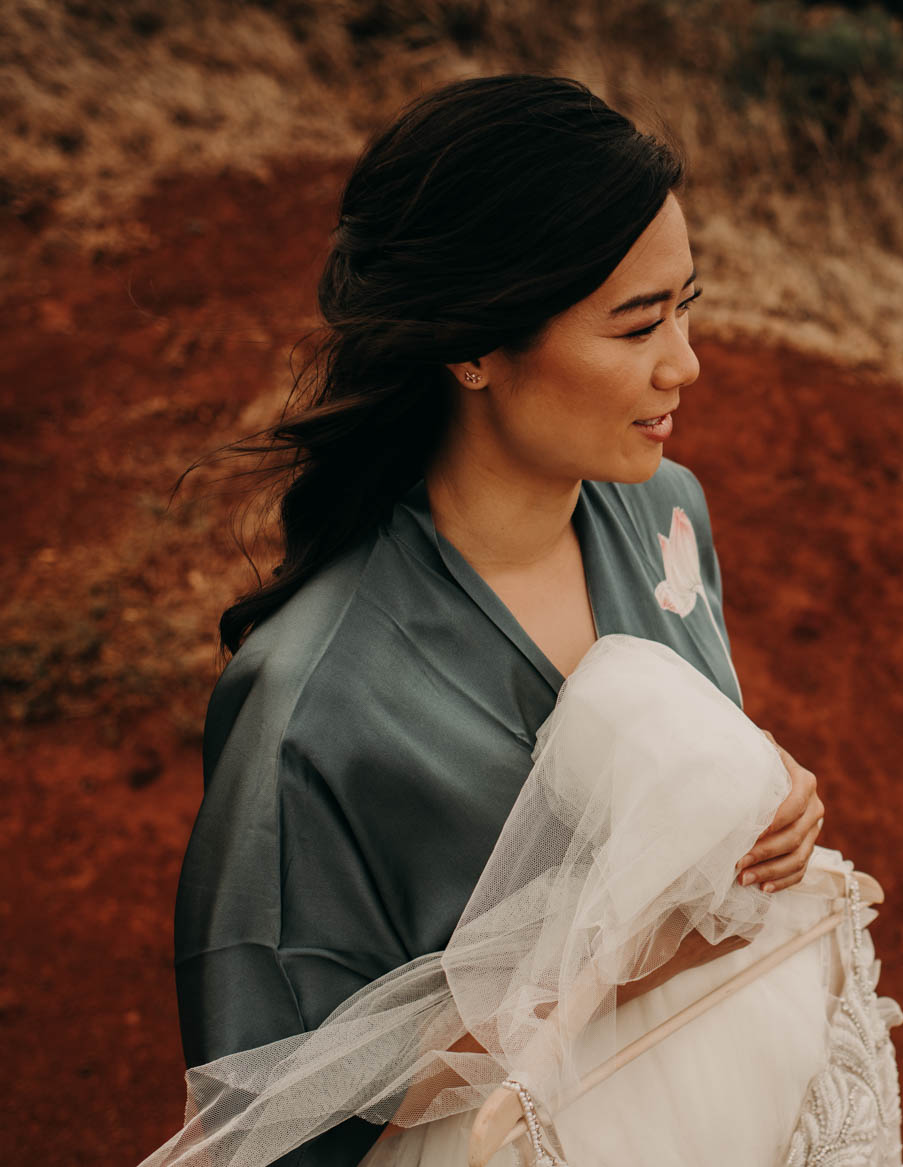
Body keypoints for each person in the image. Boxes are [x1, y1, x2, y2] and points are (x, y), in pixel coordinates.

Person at [169, 74, 865, 1167]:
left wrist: (766, 786)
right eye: (637, 325)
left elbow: (661, 767)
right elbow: (282, 1105)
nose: (685, 361)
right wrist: (625, 952)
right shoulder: (312, 704)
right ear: (473, 346)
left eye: (686, 303)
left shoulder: (663, 512)